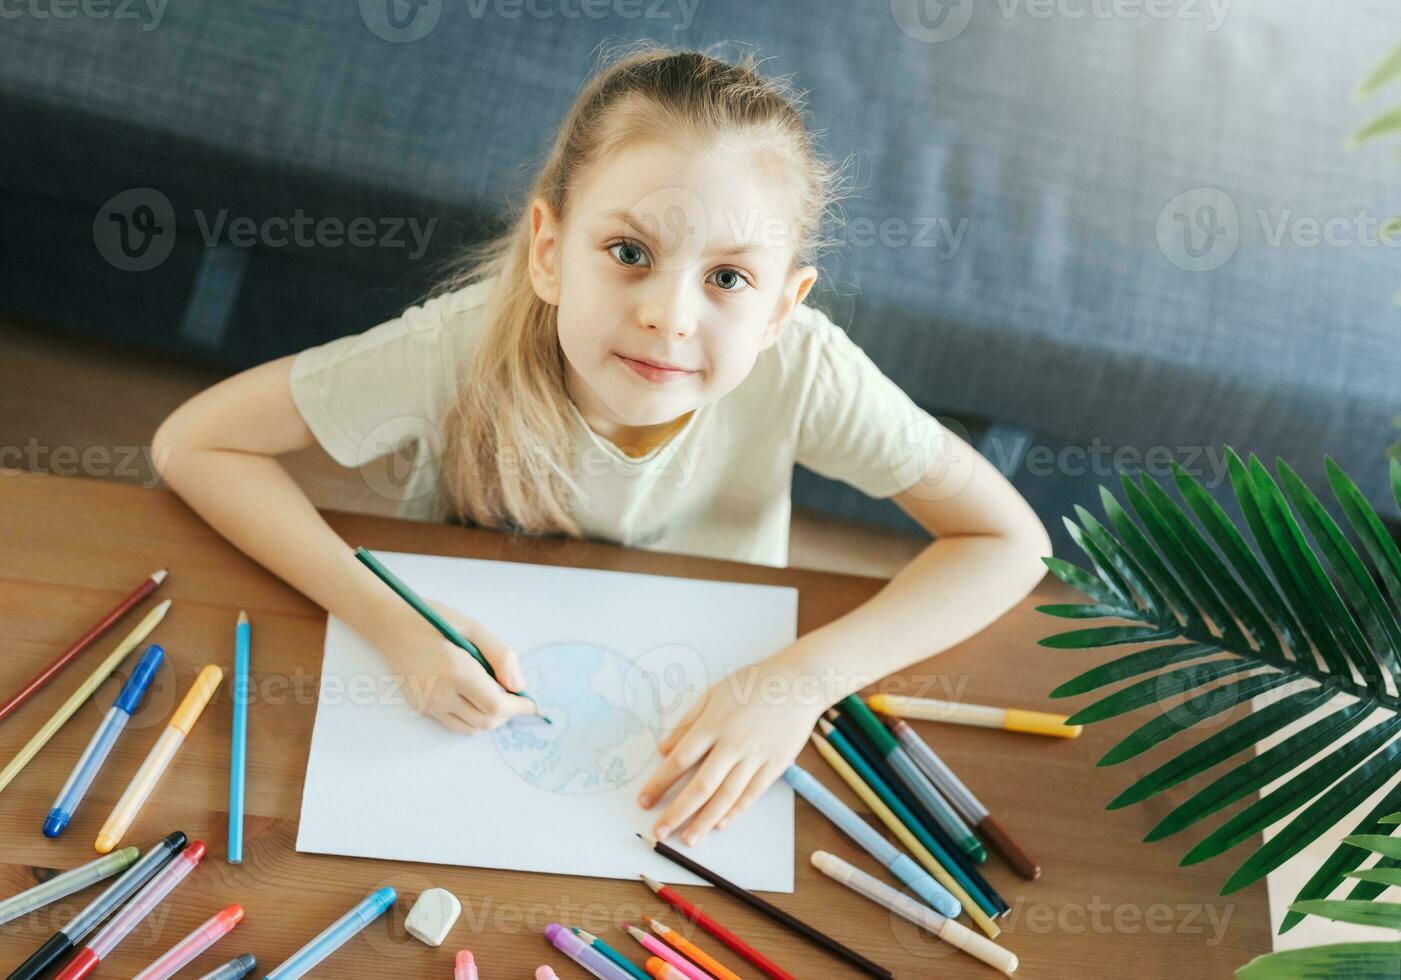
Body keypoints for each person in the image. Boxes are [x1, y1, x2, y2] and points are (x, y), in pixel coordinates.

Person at [152, 43, 1051, 850]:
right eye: (628, 251)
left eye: (729, 277)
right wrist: (389, 621)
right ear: (548, 250)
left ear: (782, 305)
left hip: (698, 694)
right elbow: (196, 444)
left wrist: (798, 682)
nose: (668, 314)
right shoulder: (458, 347)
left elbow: (1009, 541)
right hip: (466, 714)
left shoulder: (807, 366)